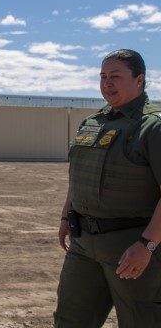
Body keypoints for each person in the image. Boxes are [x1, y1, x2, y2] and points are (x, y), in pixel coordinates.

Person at [54, 49, 161, 327]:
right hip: (84, 244)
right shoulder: (93, 123)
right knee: (70, 320)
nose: (107, 83)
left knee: (141, 321)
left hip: (132, 246)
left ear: (140, 80)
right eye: (103, 76)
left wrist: (147, 245)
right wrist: (67, 216)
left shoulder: (153, 127)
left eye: (115, 76)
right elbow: (76, 175)